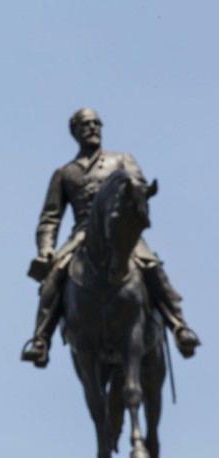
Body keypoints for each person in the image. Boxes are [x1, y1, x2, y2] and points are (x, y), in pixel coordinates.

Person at [21, 108, 200, 368]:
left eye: (96, 123)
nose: (92, 128)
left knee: (151, 265)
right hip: (82, 235)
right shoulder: (65, 173)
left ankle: (179, 326)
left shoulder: (121, 160)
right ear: (75, 132)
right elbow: (50, 217)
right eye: (85, 124)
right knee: (55, 276)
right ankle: (40, 340)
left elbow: (138, 188)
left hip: (120, 229)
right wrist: (46, 248)